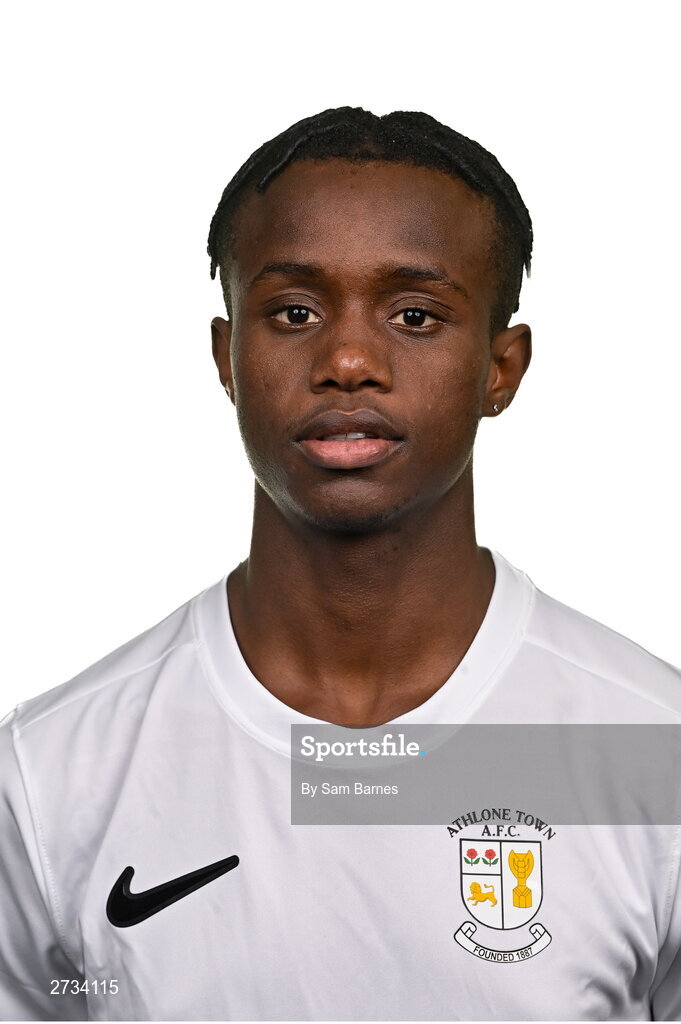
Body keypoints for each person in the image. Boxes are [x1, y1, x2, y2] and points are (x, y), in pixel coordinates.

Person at [0, 106, 679, 1022]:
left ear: (501, 367)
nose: (349, 359)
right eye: (293, 312)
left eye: (413, 314)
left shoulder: (649, 750)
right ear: (225, 355)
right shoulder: (52, 777)